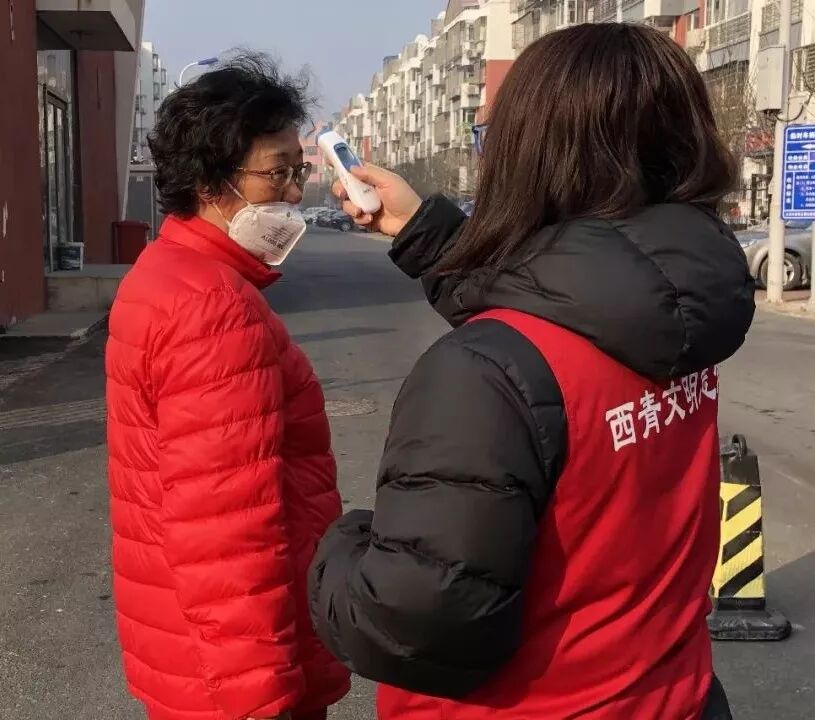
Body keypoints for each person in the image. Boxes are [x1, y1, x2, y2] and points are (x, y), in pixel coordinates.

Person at [309, 23, 753, 720]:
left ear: (530, 153)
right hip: (674, 694)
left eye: (491, 137)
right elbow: (562, 294)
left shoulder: (482, 374)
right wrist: (423, 228)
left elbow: (416, 622)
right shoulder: (680, 312)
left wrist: (334, 551)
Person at [105, 54, 350, 720]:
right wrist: (258, 697)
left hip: (193, 654)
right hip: (235, 676)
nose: (294, 194)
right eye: (278, 172)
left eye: (298, 171)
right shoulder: (212, 307)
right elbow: (225, 529)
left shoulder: (166, 272)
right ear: (212, 180)